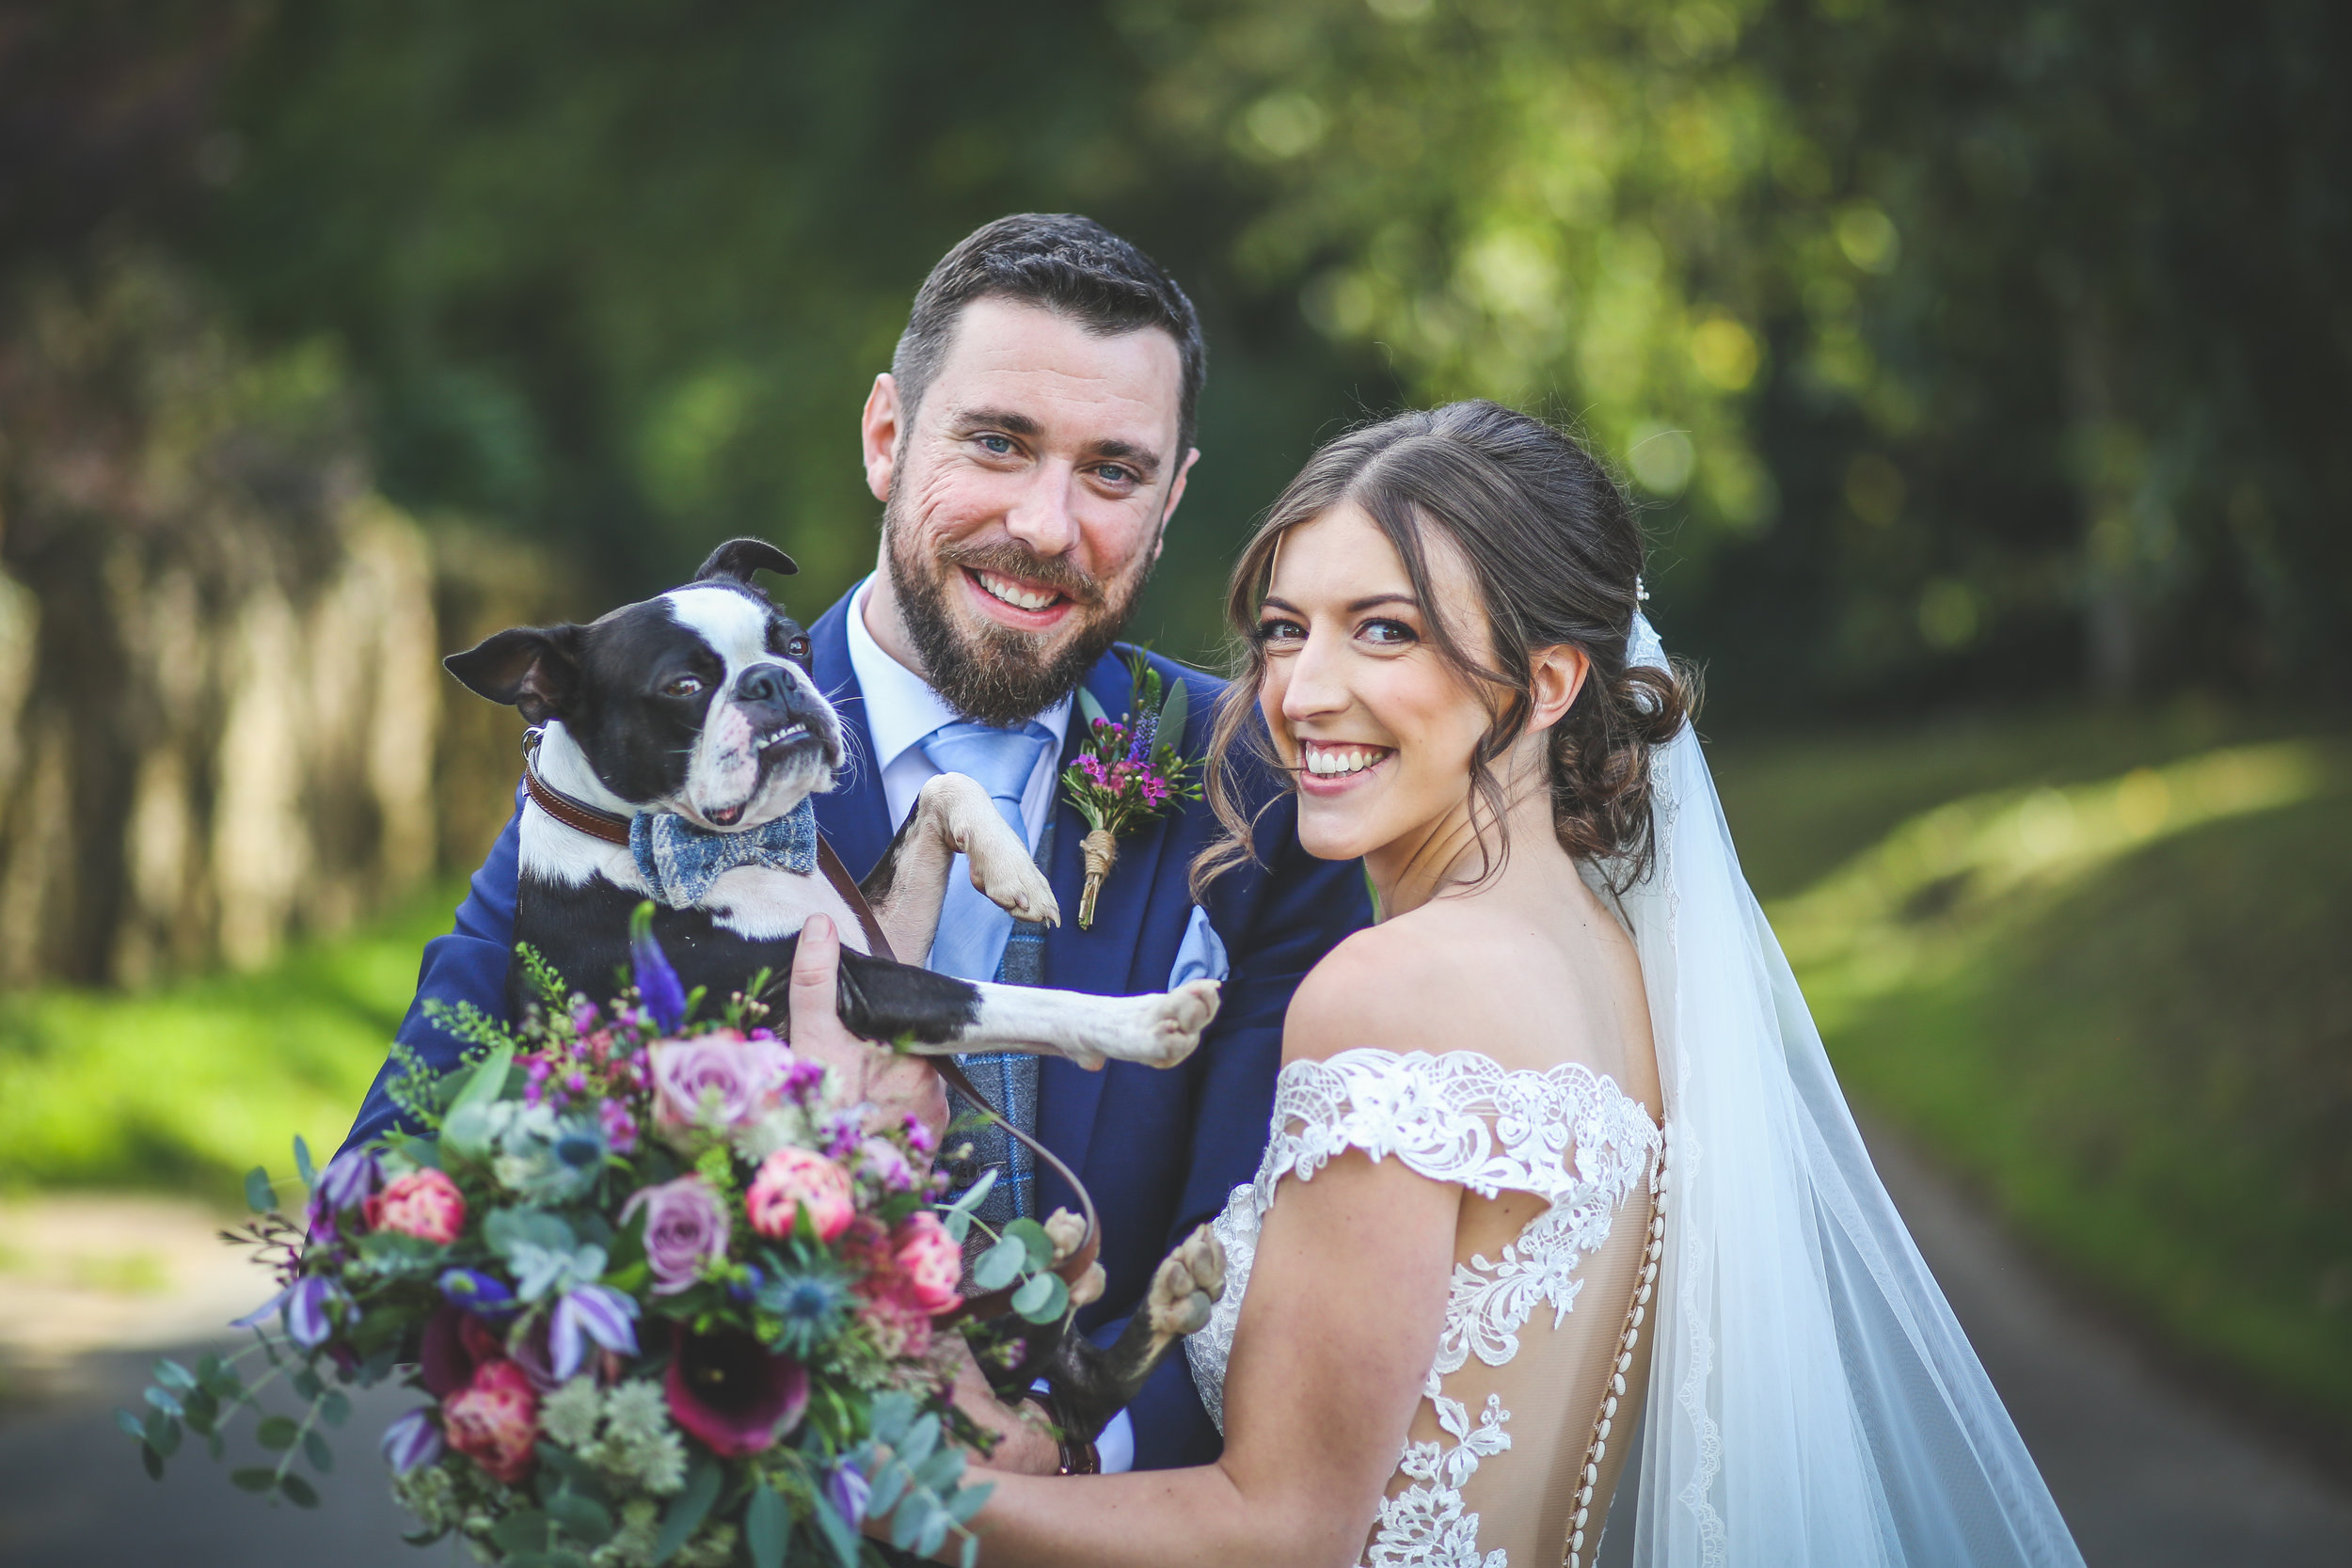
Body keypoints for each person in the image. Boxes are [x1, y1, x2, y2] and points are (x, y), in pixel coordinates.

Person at [789, 402, 2085, 1566]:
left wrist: (858, 1482)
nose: (1303, 691)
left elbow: (1280, 1531)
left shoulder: (1394, 994)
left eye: (1386, 633)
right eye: (1286, 630)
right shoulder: (1614, 971)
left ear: (1546, 683)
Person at [340, 213, 1374, 1475]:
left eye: (1113, 471)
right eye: (996, 443)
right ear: (887, 436)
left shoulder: (1256, 783)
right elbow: (391, 1208)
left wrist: (1078, 1459)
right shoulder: (642, 761)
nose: (1047, 526)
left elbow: (1281, 1253)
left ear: (1172, 501)